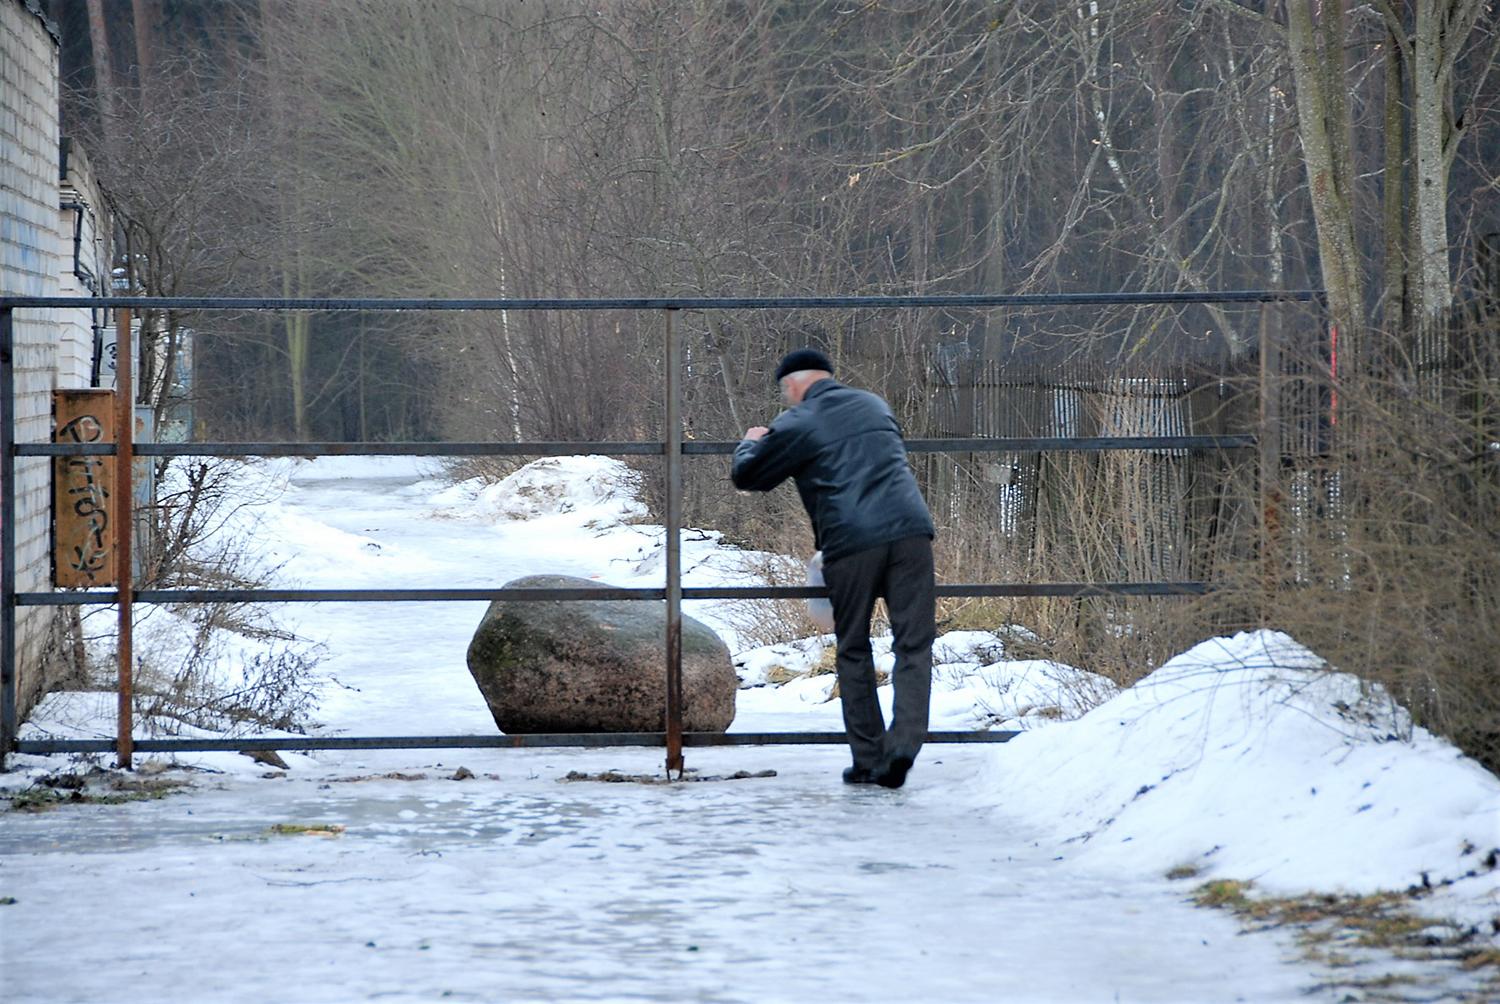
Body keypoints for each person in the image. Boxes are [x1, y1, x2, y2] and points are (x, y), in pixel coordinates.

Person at [731, 348, 936, 788]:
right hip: (912, 534)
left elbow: (750, 477)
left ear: (792, 386)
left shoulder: (797, 422)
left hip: (851, 542)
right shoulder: (874, 404)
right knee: (913, 645)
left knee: (854, 647)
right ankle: (902, 747)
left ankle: (868, 758)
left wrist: (752, 440)